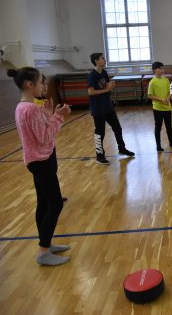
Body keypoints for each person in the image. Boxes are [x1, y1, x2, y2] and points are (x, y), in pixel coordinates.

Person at [9, 67, 72, 265]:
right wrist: (59, 116)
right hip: (41, 161)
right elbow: (45, 137)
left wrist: (47, 114)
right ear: (29, 84)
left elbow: (40, 131)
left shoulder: (24, 107)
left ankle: (46, 242)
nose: (44, 86)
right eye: (40, 83)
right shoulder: (29, 108)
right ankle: (43, 251)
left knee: (44, 203)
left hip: (40, 159)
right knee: (55, 204)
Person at [87, 53, 135, 164]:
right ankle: (99, 156)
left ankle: (122, 149)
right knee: (100, 133)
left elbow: (106, 86)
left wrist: (111, 85)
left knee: (117, 128)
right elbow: (90, 92)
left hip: (108, 106)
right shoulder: (92, 75)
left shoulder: (104, 72)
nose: (105, 60)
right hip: (98, 109)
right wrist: (106, 90)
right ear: (96, 61)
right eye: (102, 58)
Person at [147, 61, 172, 152]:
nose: (162, 70)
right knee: (158, 127)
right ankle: (158, 146)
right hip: (157, 108)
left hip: (167, 108)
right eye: (159, 68)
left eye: (162, 68)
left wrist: (168, 97)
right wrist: (161, 99)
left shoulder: (166, 80)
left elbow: (170, 92)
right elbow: (149, 95)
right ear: (154, 70)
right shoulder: (152, 82)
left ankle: (171, 142)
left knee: (169, 126)